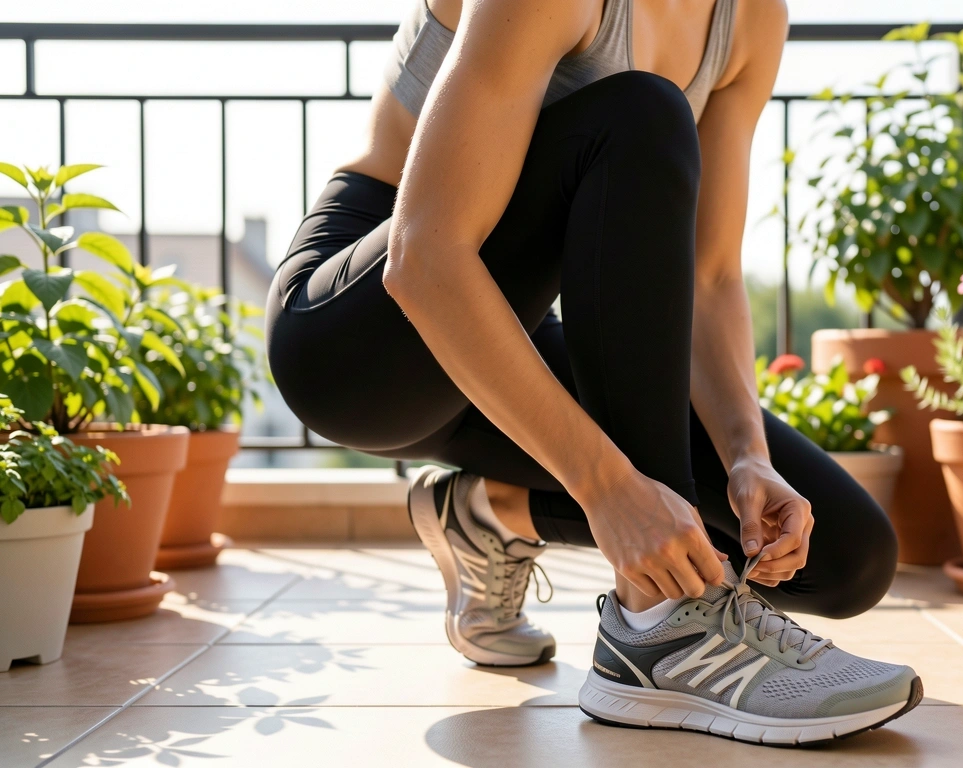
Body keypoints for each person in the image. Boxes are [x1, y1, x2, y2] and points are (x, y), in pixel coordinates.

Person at [266, 0, 920, 745]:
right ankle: (660, 631)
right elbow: (426, 258)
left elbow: (707, 279)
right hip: (366, 339)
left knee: (841, 555)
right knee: (640, 109)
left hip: (508, 341)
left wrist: (747, 454)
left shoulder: (751, 20)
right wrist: (605, 488)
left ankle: (491, 512)